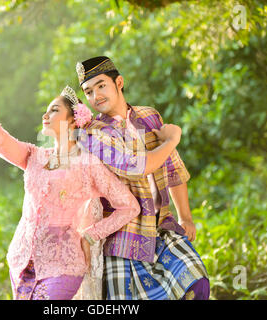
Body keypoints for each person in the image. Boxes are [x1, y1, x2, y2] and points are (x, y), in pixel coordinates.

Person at [0, 59, 179, 300]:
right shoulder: (33, 155)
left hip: (63, 266)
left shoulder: (88, 164)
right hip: (22, 261)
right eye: (46, 110)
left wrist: (90, 234)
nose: (45, 114)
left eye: (54, 110)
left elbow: (129, 206)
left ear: (73, 121)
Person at [75, 56, 210, 300]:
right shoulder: (92, 133)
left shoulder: (149, 116)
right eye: (88, 92)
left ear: (119, 82)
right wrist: (171, 140)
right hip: (124, 238)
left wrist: (186, 217)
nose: (96, 96)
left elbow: (173, 169)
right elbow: (137, 168)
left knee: (197, 284)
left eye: (101, 86)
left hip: (162, 227)